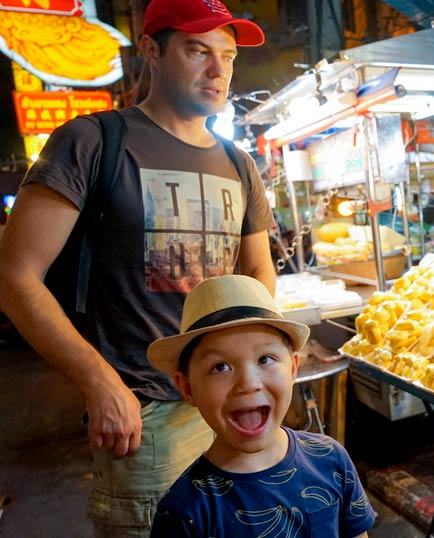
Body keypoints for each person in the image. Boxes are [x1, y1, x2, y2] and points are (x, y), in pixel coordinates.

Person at [0, 0, 276, 535]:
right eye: (198, 51)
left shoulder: (240, 162)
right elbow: (15, 277)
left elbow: (259, 275)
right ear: (151, 50)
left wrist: (259, 367)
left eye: (228, 55)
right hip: (145, 415)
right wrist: (100, 384)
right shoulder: (93, 142)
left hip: (227, 404)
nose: (219, 71)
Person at [146, 274, 375, 537]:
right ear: (187, 388)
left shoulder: (331, 461)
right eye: (220, 367)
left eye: (265, 359)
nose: (248, 383)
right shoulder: (184, 513)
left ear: (292, 368)